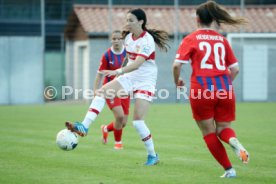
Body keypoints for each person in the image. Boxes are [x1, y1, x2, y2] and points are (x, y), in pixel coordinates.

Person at [66, 8, 169, 166]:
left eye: (131, 20)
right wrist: (119, 74)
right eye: (126, 20)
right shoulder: (127, 38)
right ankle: (84, 126)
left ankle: (152, 155)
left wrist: (118, 71)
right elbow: (129, 59)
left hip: (146, 80)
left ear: (141, 22)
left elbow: (138, 64)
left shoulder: (147, 40)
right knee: (101, 92)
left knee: (137, 122)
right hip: (129, 76)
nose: (127, 23)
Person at [172, 0, 249, 178]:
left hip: (202, 89)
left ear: (197, 19)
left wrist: (178, 82)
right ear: (213, 19)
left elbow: (176, 66)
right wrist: (223, 85)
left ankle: (229, 170)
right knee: (224, 128)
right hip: (225, 88)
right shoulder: (222, 40)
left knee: (208, 132)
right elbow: (235, 69)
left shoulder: (191, 38)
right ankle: (233, 141)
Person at [94, 30, 130, 150]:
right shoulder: (107, 55)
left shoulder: (128, 53)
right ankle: (118, 144)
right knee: (119, 116)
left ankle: (106, 129)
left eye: (119, 38)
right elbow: (99, 74)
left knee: (123, 122)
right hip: (110, 90)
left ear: (122, 40)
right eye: (114, 39)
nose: (116, 41)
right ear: (111, 40)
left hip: (124, 89)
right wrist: (95, 90)